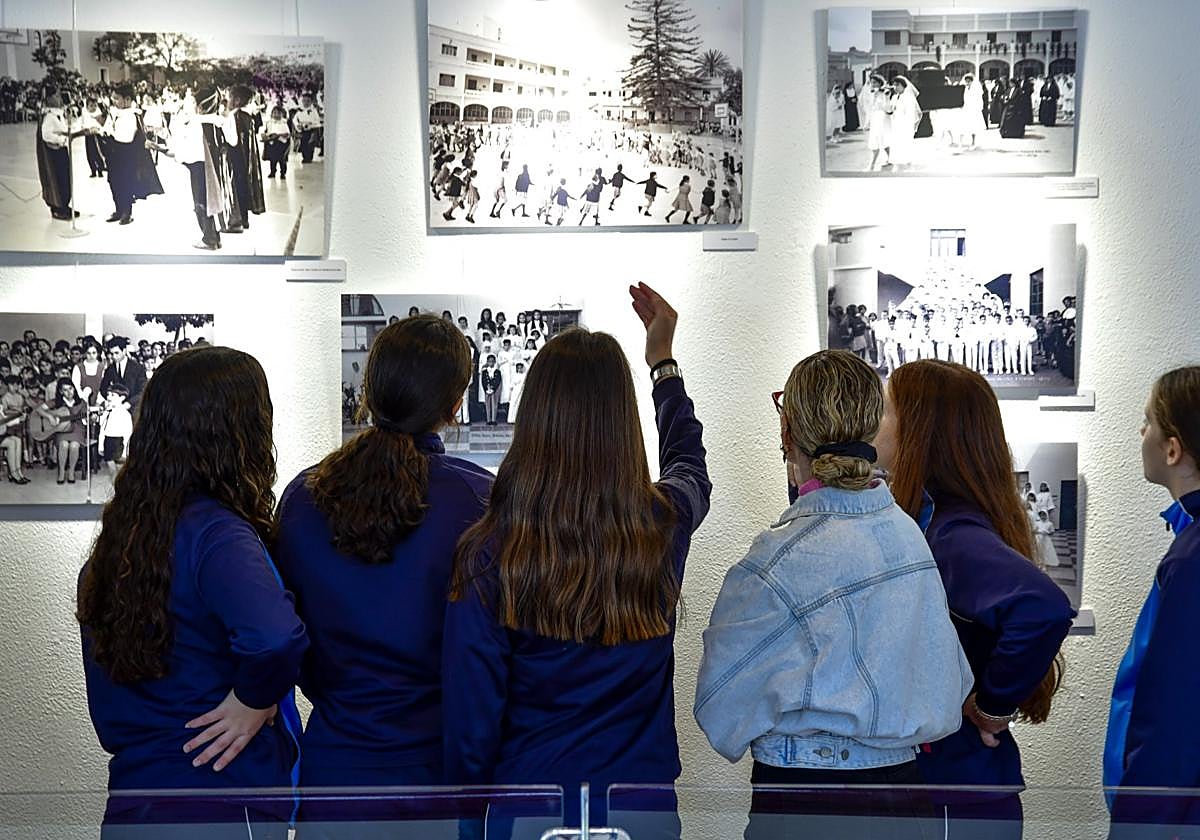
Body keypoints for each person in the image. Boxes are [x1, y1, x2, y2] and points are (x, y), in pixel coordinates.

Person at [443, 283, 711, 830]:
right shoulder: (660, 526)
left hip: (530, 809)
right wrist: (663, 362)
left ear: (535, 420)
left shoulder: (491, 549)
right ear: (622, 424)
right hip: (640, 809)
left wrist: (472, 810)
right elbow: (689, 464)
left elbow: (473, 723)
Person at [695, 350, 971, 839]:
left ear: (786, 434)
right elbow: (951, 680)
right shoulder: (908, 535)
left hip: (806, 801)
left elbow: (720, 712)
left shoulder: (773, 563)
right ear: (871, 431)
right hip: (906, 801)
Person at [76, 346, 307, 838]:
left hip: (134, 802)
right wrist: (253, 697)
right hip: (221, 800)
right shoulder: (218, 534)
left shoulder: (118, 542)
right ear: (241, 430)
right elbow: (275, 637)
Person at [274, 316, 489, 832]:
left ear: (368, 391)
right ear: (455, 405)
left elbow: (286, 631)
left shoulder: (305, 496)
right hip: (442, 776)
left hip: (335, 769)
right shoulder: (481, 498)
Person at [877, 360, 1075, 838]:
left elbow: (1042, 606)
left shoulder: (951, 532)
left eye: (884, 411)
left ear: (919, 432)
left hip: (953, 797)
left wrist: (993, 707)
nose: (871, 422)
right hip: (954, 791)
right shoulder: (935, 523)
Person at [1106, 367, 1200, 832]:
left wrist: (1138, 823)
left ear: (1172, 448)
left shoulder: (1193, 557)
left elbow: (1176, 712)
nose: (1140, 432)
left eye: (1148, 421)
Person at [101, 84, 164, 225]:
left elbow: (127, 136)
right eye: (113, 98)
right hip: (113, 151)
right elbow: (106, 128)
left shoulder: (134, 114)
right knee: (113, 181)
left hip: (127, 153)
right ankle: (118, 209)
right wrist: (105, 131)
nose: (114, 101)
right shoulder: (114, 113)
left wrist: (111, 133)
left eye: (117, 99)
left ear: (127, 99)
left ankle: (126, 212)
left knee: (125, 182)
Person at [36, 88, 82, 221]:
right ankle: (57, 208)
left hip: (61, 150)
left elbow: (63, 128)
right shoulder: (49, 116)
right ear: (49, 99)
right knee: (58, 179)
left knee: (65, 178)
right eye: (56, 96)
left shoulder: (57, 113)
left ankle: (64, 205)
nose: (59, 98)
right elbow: (46, 135)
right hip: (55, 153)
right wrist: (61, 140)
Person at [100, 337, 148, 413]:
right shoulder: (110, 369)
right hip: (114, 409)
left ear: (124, 351)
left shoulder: (138, 368)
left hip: (133, 409)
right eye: (111, 354)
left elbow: (143, 390)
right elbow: (103, 388)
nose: (114, 357)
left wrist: (129, 403)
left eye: (116, 353)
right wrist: (112, 400)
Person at [888, 76, 921, 171]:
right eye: (894, 85)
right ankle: (897, 164)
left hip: (905, 125)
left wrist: (907, 126)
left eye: (897, 85)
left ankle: (909, 165)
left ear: (903, 86)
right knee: (896, 145)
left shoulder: (909, 97)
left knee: (906, 144)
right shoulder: (894, 97)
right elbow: (889, 109)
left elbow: (910, 113)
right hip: (895, 124)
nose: (895, 87)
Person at [262, 105, 292, 179]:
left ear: (282, 114)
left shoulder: (284, 123)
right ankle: (272, 172)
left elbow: (287, 134)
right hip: (272, 143)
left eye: (278, 113)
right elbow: (267, 132)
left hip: (282, 143)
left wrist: (278, 135)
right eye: (274, 113)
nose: (276, 115)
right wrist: (266, 136)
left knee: (282, 159)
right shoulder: (269, 123)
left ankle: (283, 173)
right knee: (272, 159)